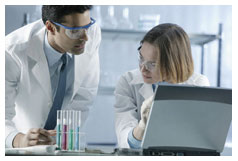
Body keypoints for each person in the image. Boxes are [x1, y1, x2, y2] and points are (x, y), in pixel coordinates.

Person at [5, 5, 101, 148]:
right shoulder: (11, 51)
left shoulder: (91, 33)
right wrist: (18, 139)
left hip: (64, 145)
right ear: (50, 27)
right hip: (22, 143)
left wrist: (62, 138)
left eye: (87, 26)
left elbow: (84, 96)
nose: (85, 37)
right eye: (75, 31)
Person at [114, 23, 210, 149]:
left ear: (174, 63)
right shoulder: (128, 81)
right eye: (141, 58)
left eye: (152, 64)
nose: (143, 69)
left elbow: (200, 142)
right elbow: (126, 141)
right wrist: (143, 125)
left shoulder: (198, 85)